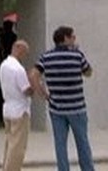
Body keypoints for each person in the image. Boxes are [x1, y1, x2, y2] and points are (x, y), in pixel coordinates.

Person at [30, 25, 95, 171]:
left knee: (60, 144)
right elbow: (88, 72)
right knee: (82, 142)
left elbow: (33, 75)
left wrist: (43, 93)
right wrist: (77, 52)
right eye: (72, 36)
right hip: (77, 107)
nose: (74, 39)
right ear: (65, 38)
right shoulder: (77, 55)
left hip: (56, 108)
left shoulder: (46, 57)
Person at [0, 39, 34, 171]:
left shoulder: (4, 65)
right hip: (20, 110)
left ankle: (6, 167)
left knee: (10, 143)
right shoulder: (18, 69)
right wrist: (33, 85)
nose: (25, 55)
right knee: (18, 147)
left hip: (8, 107)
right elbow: (26, 90)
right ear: (18, 48)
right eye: (24, 52)